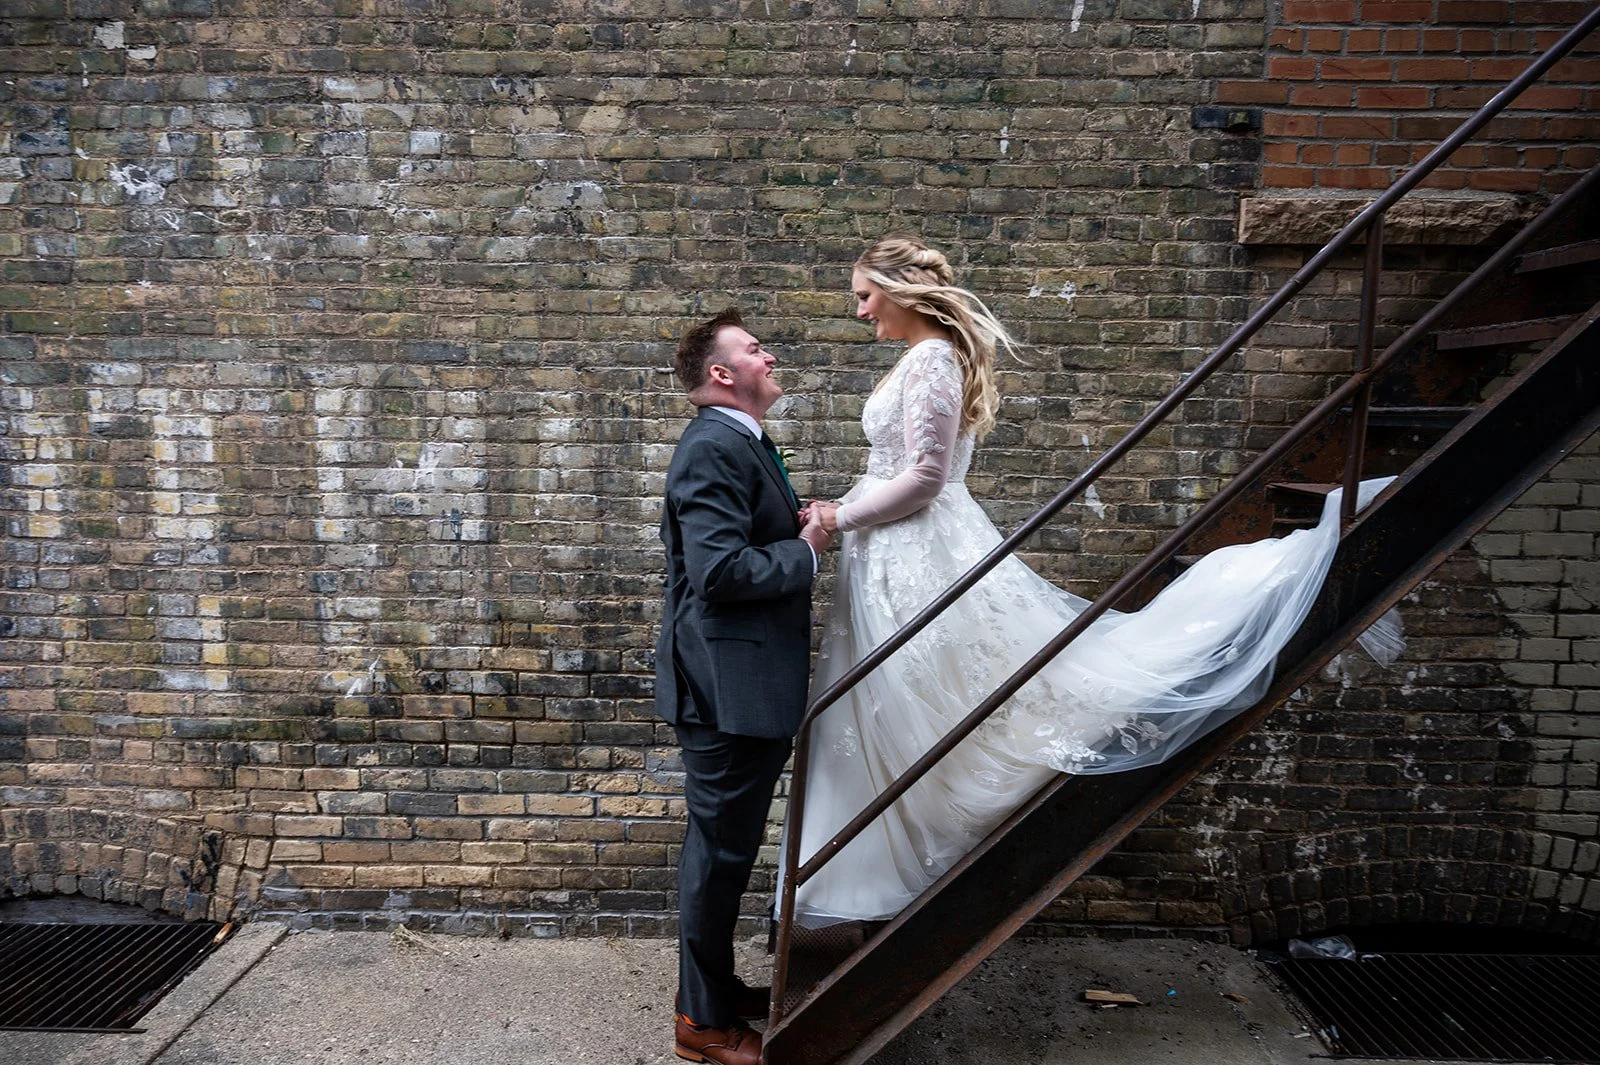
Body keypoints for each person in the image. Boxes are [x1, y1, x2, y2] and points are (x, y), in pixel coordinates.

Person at [788, 234, 1399, 927]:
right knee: (898, 702)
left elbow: (925, 477)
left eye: (866, 296)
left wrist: (842, 514)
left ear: (902, 290)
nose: (862, 312)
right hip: (890, 553)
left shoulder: (931, 358)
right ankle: (859, 870)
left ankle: (887, 861)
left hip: (915, 546)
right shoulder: (917, 356)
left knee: (932, 696)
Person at [655, 309, 834, 1065]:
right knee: (718, 855)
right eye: (755, 349)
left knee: (724, 851)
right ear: (721, 373)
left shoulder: (738, 442)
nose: (770, 355)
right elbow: (719, 573)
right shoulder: (712, 447)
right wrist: (806, 549)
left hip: (742, 684)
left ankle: (718, 990)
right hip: (725, 692)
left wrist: (786, 533)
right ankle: (701, 1023)